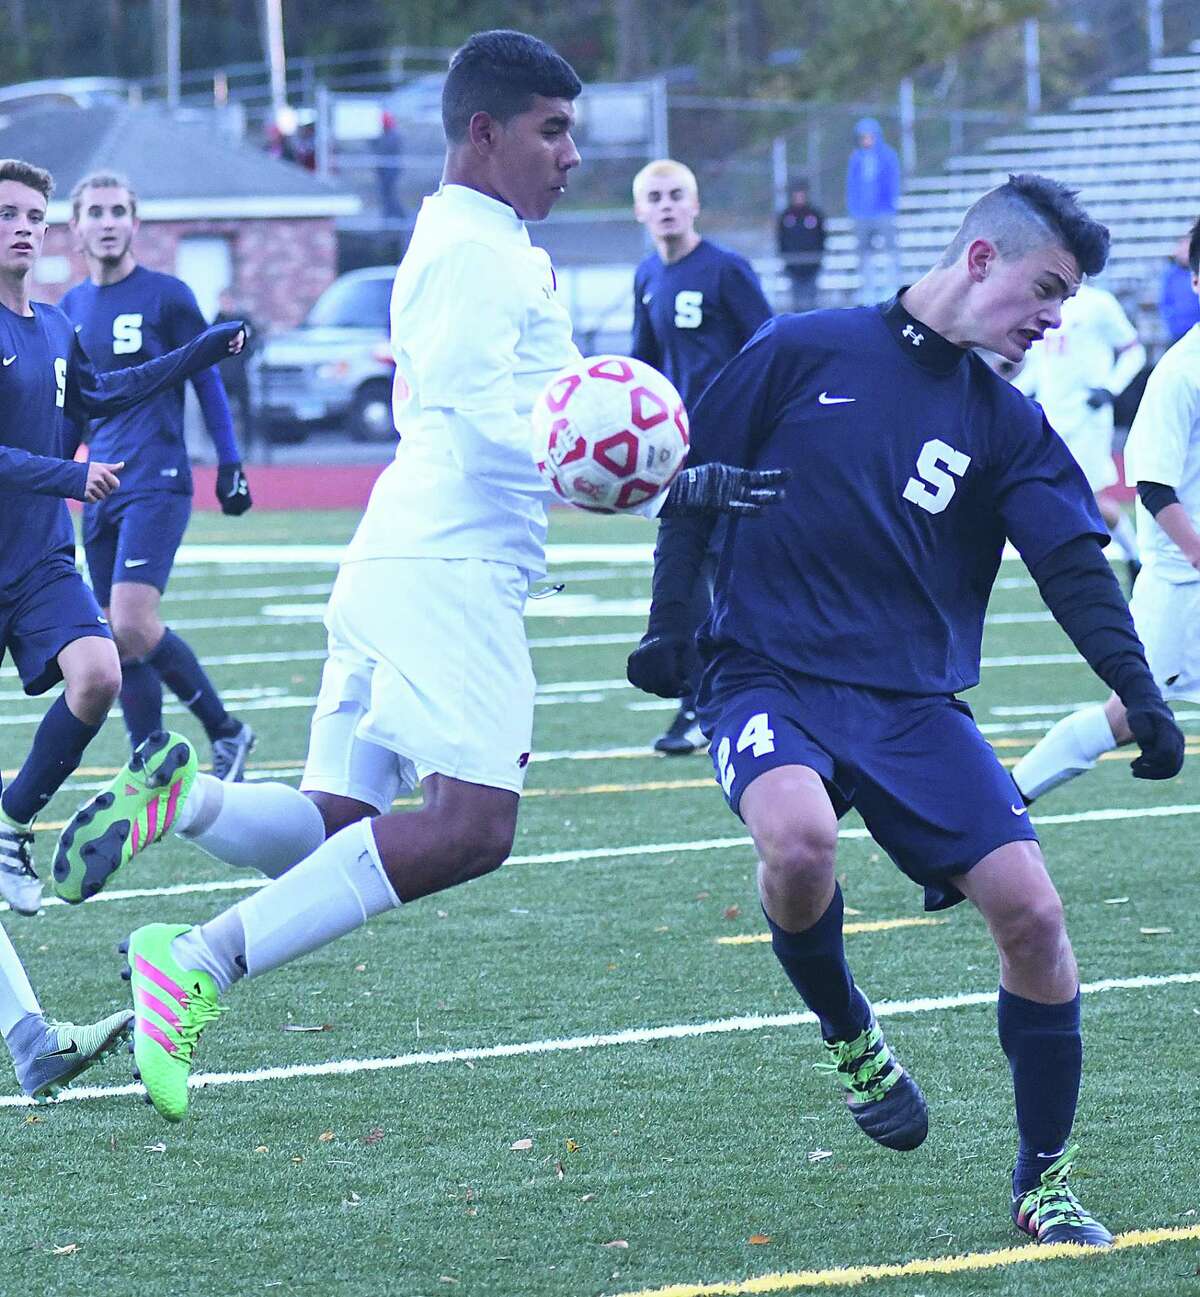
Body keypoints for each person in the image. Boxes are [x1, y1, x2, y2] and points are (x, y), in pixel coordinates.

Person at [52, 30, 785, 1124]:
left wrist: (655, 467)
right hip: (446, 563)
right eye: (553, 129)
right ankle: (196, 960)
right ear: (484, 133)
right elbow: (476, 412)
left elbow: (523, 406)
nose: (572, 155)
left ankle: (187, 793)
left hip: (405, 549)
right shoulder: (475, 251)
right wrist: (651, 484)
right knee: (473, 825)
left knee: (345, 814)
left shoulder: (483, 240)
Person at [626, 173, 1185, 1246]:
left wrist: (1139, 689)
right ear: (981, 259)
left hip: (913, 700)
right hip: (764, 671)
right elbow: (695, 484)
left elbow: (1072, 564)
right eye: (1048, 289)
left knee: (1034, 912)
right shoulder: (802, 347)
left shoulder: (1006, 423)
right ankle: (850, 1031)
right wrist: (668, 627)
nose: (1054, 319)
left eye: (1066, 303)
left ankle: (1045, 1180)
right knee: (796, 843)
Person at [0, 156, 245, 1098]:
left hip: (39, 564)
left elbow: (106, 398)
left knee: (100, 671)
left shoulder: (55, 324)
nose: (24, 227)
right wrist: (71, 478)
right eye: (7, 215)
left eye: (33, 215)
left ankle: (13, 823)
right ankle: (31, 1039)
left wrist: (206, 349)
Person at [61, 174, 257, 781]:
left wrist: (229, 462)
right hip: (101, 484)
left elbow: (207, 378)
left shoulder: (168, 295)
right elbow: (73, 408)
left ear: (135, 223)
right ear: (76, 228)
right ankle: (150, 760)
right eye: (95, 212)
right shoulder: (68, 308)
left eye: (119, 210)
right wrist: (53, 477)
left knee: (132, 621)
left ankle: (228, 731)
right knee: (116, 641)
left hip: (159, 474)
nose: (108, 221)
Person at [1014, 215, 1200, 803]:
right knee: (1122, 718)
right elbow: (1154, 487)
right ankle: (1001, 807)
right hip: (1182, 590)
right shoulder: (1181, 371)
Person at [631, 157, 772, 754]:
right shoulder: (646, 276)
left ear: (695, 205)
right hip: (678, 457)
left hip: (732, 450)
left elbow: (771, 347)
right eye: (654, 197)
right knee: (685, 579)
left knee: (729, 575)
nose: (665, 205)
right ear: (640, 210)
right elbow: (644, 367)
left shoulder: (725, 270)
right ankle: (697, 701)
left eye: (676, 195)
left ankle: (728, 700)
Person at [1011, 280, 1145, 584]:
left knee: (1087, 499)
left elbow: (1132, 351)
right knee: (1052, 493)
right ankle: (1129, 556)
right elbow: (1039, 365)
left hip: (1088, 416)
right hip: (1050, 415)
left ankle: (1129, 558)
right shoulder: (1041, 302)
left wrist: (1109, 389)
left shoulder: (1099, 303)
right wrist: (1012, 394)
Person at [846, 117, 902, 304]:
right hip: (862, 214)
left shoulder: (888, 156)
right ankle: (867, 288)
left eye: (869, 136)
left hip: (883, 211)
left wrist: (891, 205)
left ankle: (891, 285)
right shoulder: (856, 158)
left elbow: (893, 182)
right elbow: (851, 185)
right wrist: (853, 209)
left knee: (890, 249)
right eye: (863, 137)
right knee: (864, 253)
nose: (866, 140)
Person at [212, 288, 262, 463]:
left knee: (245, 411)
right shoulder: (216, 322)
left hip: (240, 373)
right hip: (223, 374)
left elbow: (254, 341)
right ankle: (226, 449)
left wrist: (246, 357)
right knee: (223, 412)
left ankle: (248, 447)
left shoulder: (243, 321)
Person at [776, 178, 825, 312]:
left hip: (812, 266)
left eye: (801, 194)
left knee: (811, 304)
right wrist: (787, 261)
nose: (799, 197)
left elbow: (822, 238)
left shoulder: (815, 215)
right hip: (793, 267)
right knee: (797, 304)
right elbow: (781, 239)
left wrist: (817, 260)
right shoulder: (785, 216)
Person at [1159, 233, 1200, 344]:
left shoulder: (1197, 273)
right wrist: (1171, 320)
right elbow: (1164, 301)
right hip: (1177, 332)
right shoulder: (1170, 275)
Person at [376, 110, 405, 223]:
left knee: (389, 192)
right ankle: (390, 214)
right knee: (386, 192)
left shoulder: (392, 135)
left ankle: (397, 215)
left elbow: (384, 149)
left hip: (391, 168)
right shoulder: (387, 134)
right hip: (385, 168)